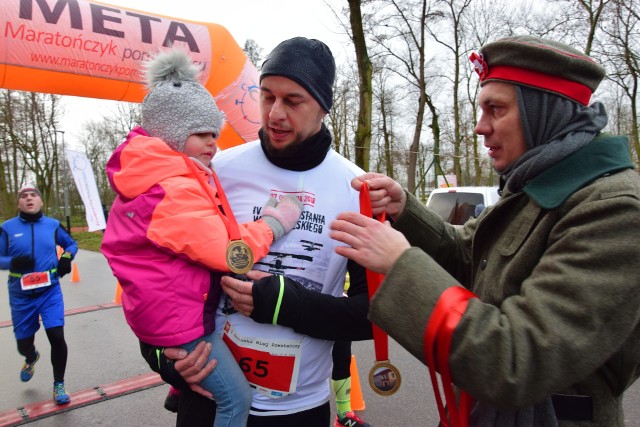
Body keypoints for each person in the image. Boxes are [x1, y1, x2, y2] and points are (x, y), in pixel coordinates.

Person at [329, 35, 640, 426]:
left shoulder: (613, 209)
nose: (479, 127)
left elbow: (516, 361)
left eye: (495, 109)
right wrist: (404, 210)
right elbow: (470, 256)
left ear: (542, 113)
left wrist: (399, 262)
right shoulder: (536, 185)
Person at [139, 37, 374, 427]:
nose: (274, 114)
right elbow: (153, 266)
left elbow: (373, 315)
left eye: (293, 101)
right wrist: (160, 354)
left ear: (323, 107)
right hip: (208, 400)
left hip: (297, 410)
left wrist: (287, 304)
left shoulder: (356, 190)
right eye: (266, 97)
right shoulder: (214, 169)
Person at [100, 49, 303, 427]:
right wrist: (275, 223)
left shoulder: (159, 176)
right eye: (201, 134)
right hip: (182, 322)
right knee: (235, 401)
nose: (213, 143)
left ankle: (180, 389)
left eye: (215, 132)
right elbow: (230, 254)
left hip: (168, 312)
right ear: (172, 136)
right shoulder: (172, 188)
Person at [0, 183, 78, 405]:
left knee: (57, 336)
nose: (29, 198)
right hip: (20, 295)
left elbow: (71, 244)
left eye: (33, 194)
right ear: (19, 203)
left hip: (49, 290)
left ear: (41, 201)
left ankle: (59, 385)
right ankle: (30, 357)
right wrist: (12, 261)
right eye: (24, 195)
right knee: (23, 343)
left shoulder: (53, 225)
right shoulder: (7, 228)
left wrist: (65, 258)